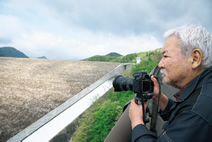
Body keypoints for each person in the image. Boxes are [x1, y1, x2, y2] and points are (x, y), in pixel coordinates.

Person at [129, 25, 212, 142]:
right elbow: (183, 116)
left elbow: (190, 115)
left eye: (165, 56)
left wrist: (137, 122)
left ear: (195, 58)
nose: (160, 64)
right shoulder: (204, 89)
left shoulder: (199, 110)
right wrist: (159, 97)